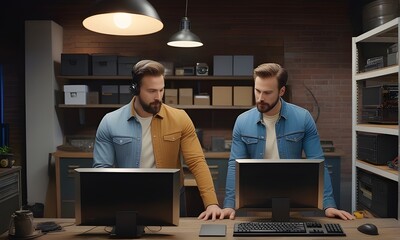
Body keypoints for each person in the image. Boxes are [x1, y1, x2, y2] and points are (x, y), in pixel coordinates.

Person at [220, 63, 354, 220]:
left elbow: (318, 162)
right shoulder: (242, 122)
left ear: (281, 91)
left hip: (293, 206)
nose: (260, 98)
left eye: (268, 92)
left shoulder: (303, 118)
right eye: (257, 91)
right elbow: (234, 165)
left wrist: (329, 205)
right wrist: (229, 205)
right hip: (256, 207)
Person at [93, 60, 222, 220]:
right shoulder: (110, 121)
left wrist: (211, 203)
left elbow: (197, 162)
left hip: (171, 198)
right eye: (151, 91)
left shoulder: (180, 118)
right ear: (135, 89)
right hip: (127, 198)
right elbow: (101, 170)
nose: (158, 97)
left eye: (161, 90)